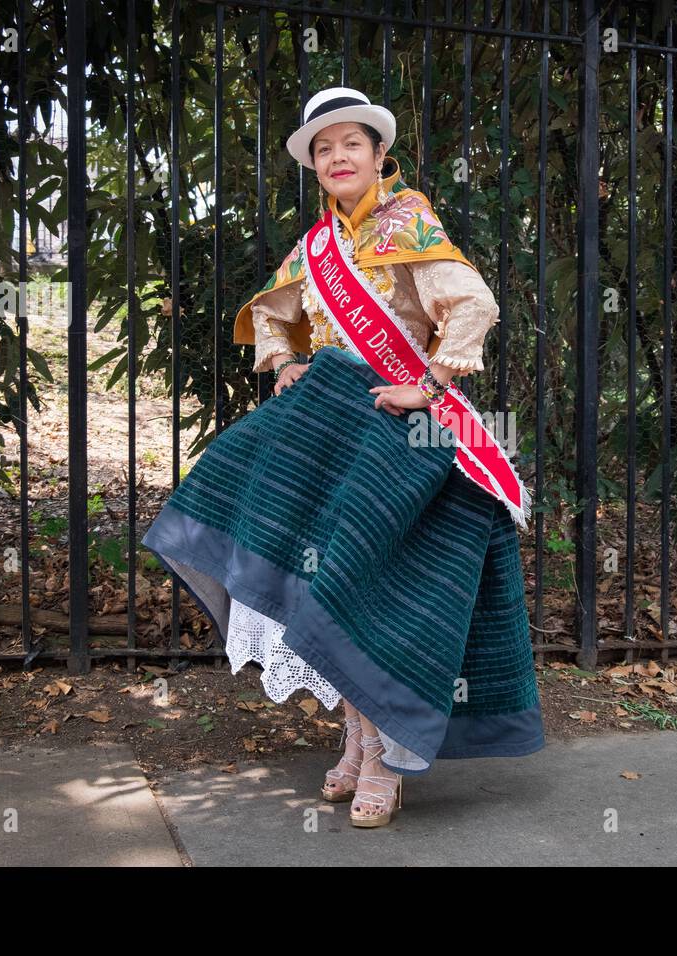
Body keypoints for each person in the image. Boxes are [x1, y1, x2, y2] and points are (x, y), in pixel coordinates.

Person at [141, 87, 544, 829]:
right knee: (320, 581)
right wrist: (282, 359)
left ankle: (388, 761)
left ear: (379, 155)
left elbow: (475, 304)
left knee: (369, 590)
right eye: (323, 150)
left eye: (350, 144)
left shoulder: (409, 221)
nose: (336, 157)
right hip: (330, 426)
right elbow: (271, 309)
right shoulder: (317, 244)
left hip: (397, 433)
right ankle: (358, 742)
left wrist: (427, 384)